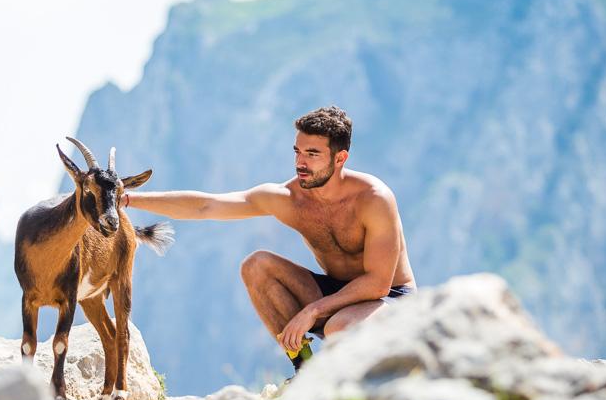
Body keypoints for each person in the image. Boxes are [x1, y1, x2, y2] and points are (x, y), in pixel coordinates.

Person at [124, 105, 416, 375]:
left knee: (341, 326)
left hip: (389, 298)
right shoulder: (288, 198)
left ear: (340, 158)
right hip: (336, 295)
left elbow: (378, 282)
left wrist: (312, 311)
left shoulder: (373, 199)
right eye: (297, 151)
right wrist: (127, 199)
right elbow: (207, 205)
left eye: (312, 154)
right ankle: (305, 372)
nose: (301, 162)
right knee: (257, 266)